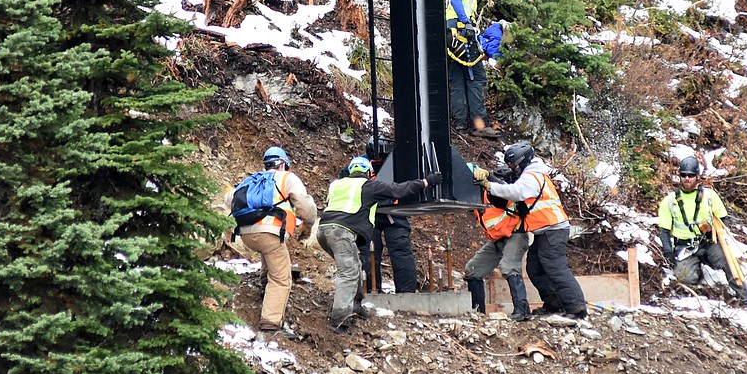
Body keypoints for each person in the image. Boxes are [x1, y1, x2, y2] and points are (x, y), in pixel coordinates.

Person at [318, 156, 440, 334]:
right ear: (369, 172)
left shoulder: (336, 184)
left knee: (354, 266)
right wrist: (426, 182)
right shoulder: (369, 185)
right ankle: (340, 319)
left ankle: (356, 304)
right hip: (341, 232)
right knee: (348, 272)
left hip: (323, 230)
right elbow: (398, 190)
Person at [474, 142, 587, 320]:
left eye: (513, 165)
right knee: (535, 269)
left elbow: (516, 193)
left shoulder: (531, 176)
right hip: (545, 231)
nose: (512, 168)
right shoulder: (532, 173)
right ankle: (553, 304)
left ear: (521, 161)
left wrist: (490, 186)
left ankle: (576, 308)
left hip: (553, 229)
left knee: (557, 269)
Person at [226, 146, 317, 340]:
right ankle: (270, 323)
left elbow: (230, 198)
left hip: (247, 233)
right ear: (284, 163)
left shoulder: (252, 179)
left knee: (269, 257)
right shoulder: (287, 178)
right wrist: (309, 224)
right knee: (282, 278)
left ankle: (263, 287)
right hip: (270, 232)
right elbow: (306, 205)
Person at [657, 156, 747, 302]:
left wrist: (712, 229)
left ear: (697, 176)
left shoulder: (709, 196)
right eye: (683, 175)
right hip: (685, 247)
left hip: (708, 242)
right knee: (685, 278)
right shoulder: (669, 201)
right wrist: (669, 253)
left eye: (691, 175)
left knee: (728, 262)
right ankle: (697, 272)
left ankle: (743, 296)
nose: (687, 178)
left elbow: (723, 218)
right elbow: (664, 231)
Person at [464, 165, 531, 322]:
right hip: (498, 240)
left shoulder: (493, 193)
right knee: (473, 269)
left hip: (515, 235)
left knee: (508, 266)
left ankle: (522, 310)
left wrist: (488, 178)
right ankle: (478, 313)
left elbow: (505, 191)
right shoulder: (474, 198)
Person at [446, 0, 498, 138]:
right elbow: (455, 1)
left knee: (458, 81)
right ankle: (479, 125)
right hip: (460, 37)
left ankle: (460, 123)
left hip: (452, 38)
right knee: (476, 79)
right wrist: (467, 23)